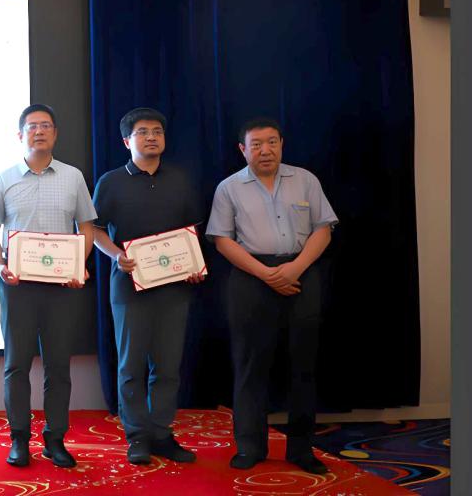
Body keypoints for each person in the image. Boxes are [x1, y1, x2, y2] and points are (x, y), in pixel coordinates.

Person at [207, 117, 337, 475]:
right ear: (243, 149)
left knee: (303, 365)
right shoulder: (229, 188)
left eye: (272, 142)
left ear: (281, 144)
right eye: (256, 144)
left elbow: (323, 230)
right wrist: (266, 274)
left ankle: (301, 449)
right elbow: (222, 240)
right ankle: (250, 447)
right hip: (251, 277)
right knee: (250, 364)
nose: (265, 150)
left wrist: (295, 268)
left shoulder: (306, 180)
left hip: (301, 271)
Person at [0, 104, 96, 468]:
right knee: (16, 365)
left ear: (55, 133)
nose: (39, 131)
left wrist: (78, 263)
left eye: (46, 125)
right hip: (17, 284)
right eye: (32, 126)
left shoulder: (73, 177)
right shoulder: (5, 178)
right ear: (20, 135)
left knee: (58, 365)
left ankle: (55, 439)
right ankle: (19, 439)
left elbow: (87, 227)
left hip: (61, 286)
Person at [91, 108, 204, 465]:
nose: (151, 137)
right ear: (127, 141)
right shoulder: (111, 182)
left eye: (157, 131)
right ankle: (137, 436)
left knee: (168, 365)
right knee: (131, 365)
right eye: (142, 132)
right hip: (128, 284)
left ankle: (162, 433)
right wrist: (116, 255)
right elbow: (94, 230)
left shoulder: (181, 180)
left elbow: (192, 230)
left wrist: (194, 265)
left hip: (174, 287)